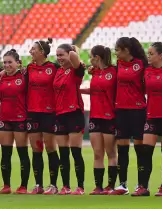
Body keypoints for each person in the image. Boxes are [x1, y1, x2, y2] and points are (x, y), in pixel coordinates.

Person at [133, 42, 162, 196]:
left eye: (151, 53)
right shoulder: (146, 71)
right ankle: (143, 187)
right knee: (146, 152)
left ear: (161, 55)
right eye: (148, 53)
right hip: (151, 115)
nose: (148, 56)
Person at [109, 37, 148, 196]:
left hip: (138, 110)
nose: (116, 52)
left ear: (126, 50)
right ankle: (123, 184)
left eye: (118, 50)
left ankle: (141, 184)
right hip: (121, 110)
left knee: (140, 149)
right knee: (122, 149)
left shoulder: (141, 64)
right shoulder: (117, 65)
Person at [81, 45, 117, 195]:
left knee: (111, 153)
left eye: (91, 56)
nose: (89, 60)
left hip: (110, 117)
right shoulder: (94, 72)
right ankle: (98, 187)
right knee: (97, 153)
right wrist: (78, 90)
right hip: (95, 116)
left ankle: (111, 186)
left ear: (97, 58)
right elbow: (95, 91)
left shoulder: (114, 72)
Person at [26, 38, 60, 194]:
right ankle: (38, 185)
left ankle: (53, 185)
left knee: (50, 147)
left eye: (33, 49)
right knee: (36, 148)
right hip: (33, 112)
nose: (30, 51)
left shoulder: (54, 67)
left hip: (49, 112)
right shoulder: (29, 68)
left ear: (42, 52)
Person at [53, 44, 86, 195]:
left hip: (74, 113)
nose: (59, 58)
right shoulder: (58, 71)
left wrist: (72, 51)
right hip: (60, 114)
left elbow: (74, 57)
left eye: (62, 55)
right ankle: (65, 186)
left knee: (76, 152)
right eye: (57, 55)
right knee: (63, 153)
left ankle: (80, 186)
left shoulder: (76, 70)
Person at [0, 49, 31, 194]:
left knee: (22, 153)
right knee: (5, 154)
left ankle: (23, 186)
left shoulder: (24, 76)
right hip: (4, 118)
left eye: (10, 62)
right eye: (4, 62)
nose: (7, 65)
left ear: (18, 63)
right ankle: (6, 185)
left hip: (20, 118)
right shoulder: (0, 78)